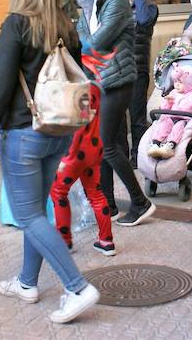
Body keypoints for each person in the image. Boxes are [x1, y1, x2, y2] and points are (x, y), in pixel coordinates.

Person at [0, 0, 100, 324]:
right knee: (37, 211)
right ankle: (27, 282)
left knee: (28, 215)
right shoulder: (67, 26)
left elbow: (2, 86)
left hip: (24, 132)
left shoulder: (16, 25)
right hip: (58, 131)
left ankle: (77, 287)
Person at [75, 0, 155, 227]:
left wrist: (81, 30)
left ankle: (140, 201)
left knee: (108, 146)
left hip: (118, 80)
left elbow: (95, 41)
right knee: (105, 144)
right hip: (99, 78)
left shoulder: (117, 2)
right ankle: (108, 204)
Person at [50, 84, 115, 256]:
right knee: (96, 193)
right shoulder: (93, 85)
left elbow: (80, 123)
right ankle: (106, 241)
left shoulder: (79, 86)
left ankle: (65, 242)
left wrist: (67, 154)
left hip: (77, 150)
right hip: (94, 147)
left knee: (58, 192)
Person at [118, 0, 159, 164]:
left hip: (137, 68)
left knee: (137, 116)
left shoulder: (149, 7)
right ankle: (123, 156)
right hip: (119, 68)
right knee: (119, 117)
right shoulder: (119, 6)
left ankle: (138, 156)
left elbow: (143, 20)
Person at [146, 64, 192, 159]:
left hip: (184, 119)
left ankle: (170, 145)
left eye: (180, 82)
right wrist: (167, 102)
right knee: (164, 124)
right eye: (175, 81)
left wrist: (175, 104)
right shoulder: (173, 92)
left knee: (178, 127)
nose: (177, 84)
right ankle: (155, 143)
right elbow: (164, 110)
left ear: (189, 82)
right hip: (171, 117)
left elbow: (190, 108)